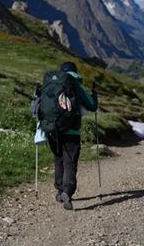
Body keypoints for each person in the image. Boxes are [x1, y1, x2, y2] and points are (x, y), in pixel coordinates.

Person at [47, 61, 97, 210]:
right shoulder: (76, 86)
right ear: (75, 72)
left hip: (53, 131)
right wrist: (94, 94)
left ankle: (59, 190)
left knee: (59, 160)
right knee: (70, 162)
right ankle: (67, 191)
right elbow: (92, 106)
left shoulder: (51, 86)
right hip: (72, 132)